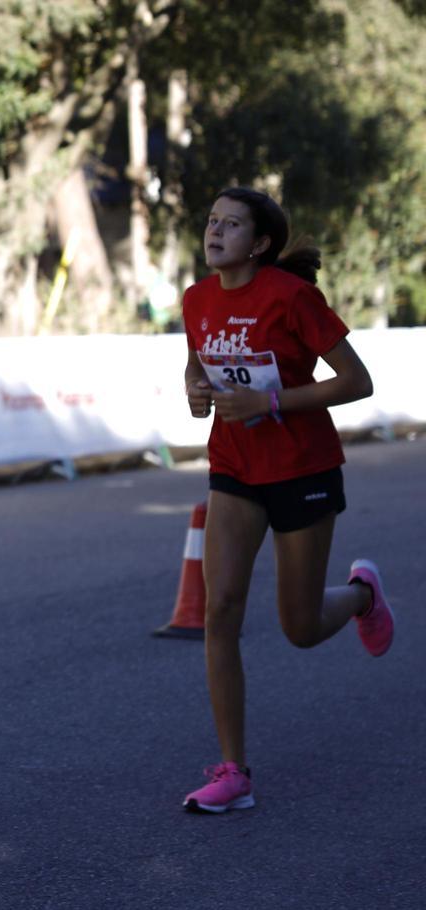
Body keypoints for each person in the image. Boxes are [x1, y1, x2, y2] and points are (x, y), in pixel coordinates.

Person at [180, 187, 392, 814]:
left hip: (304, 467)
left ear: (261, 243)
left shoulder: (293, 297)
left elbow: (358, 381)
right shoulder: (197, 298)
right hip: (235, 467)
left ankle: (361, 595)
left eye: (232, 224)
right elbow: (199, 363)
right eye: (212, 220)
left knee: (298, 628)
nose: (215, 231)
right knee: (219, 609)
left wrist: (271, 402)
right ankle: (233, 771)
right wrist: (195, 390)